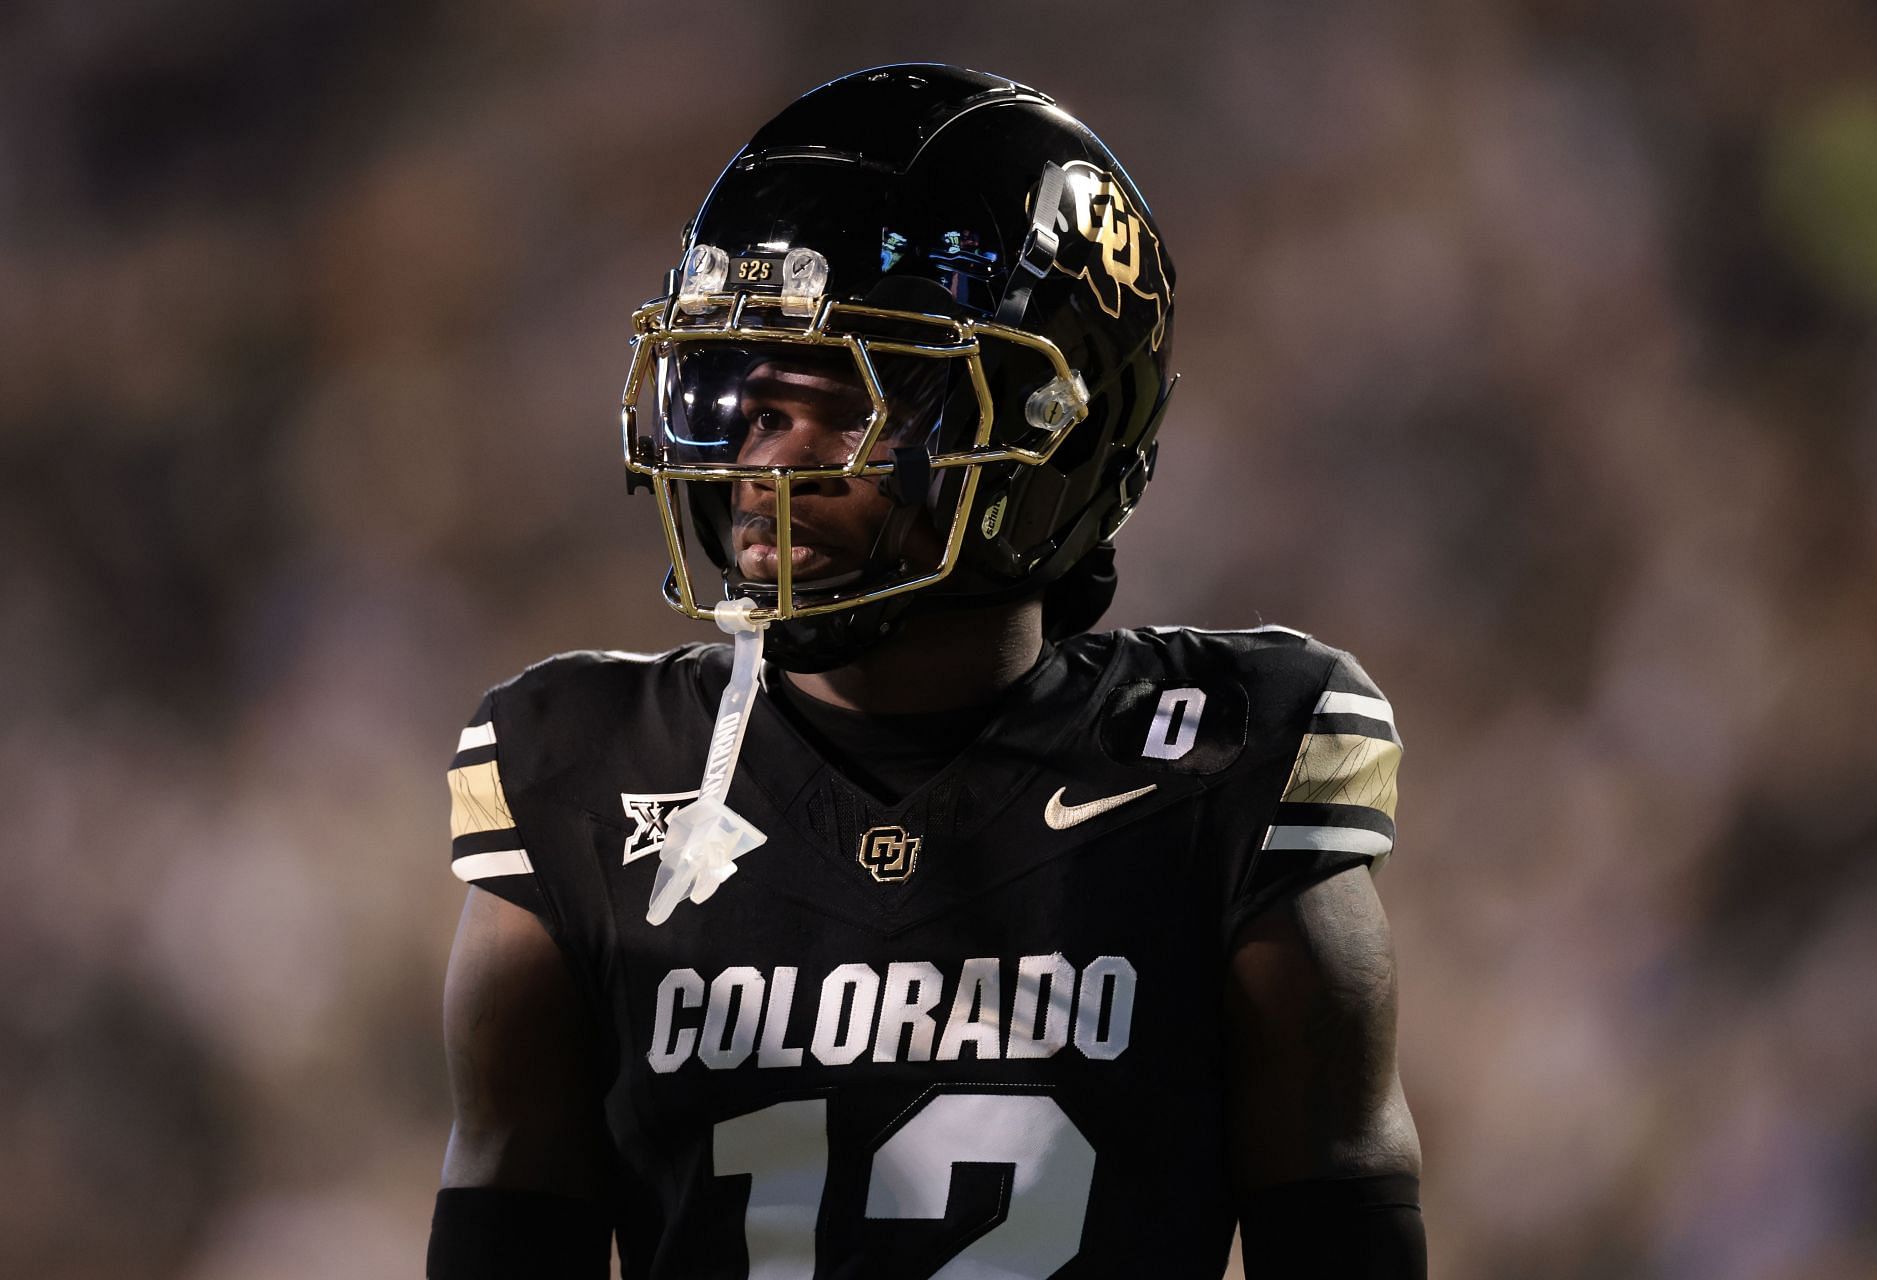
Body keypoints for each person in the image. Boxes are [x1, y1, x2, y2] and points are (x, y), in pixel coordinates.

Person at [429, 63, 1424, 1279]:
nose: (762, 460)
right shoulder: (579, 771)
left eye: (845, 397)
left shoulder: (1220, 766)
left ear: (1059, 428)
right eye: (742, 389)